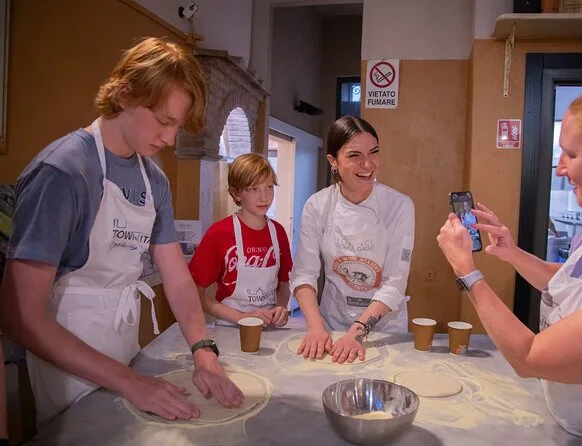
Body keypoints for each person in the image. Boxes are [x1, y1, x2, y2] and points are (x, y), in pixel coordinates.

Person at [0, 37, 244, 427]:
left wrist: (204, 352)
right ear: (125, 94)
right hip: (67, 366)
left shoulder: (154, 181)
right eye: (163, 120)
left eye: (177, 126)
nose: (169, 138)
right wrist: (131, 382)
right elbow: (19, 315)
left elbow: (177, 278)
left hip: (124, 351)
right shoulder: (63, 172)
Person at [437, 79, 582, 446]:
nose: (559, 168)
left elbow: (529, 358)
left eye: (571, 155)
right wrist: (512, 252)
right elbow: (576, 284)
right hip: (571, 419)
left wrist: (466, 271)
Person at [290, 116, 415, 364]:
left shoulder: (399, 206)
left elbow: (394, 282)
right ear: (333, 161)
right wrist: (315, 327)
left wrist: (357, 333)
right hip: (332, 325)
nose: (367, 164)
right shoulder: (317, 206)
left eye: (374, 152)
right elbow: (304, 274)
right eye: (354, 155)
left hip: (383, 328)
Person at [188, 153, 292, 327]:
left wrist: (281, 307)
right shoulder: (219, 233)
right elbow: (194, 292)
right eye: (254, 189)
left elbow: (284, 282)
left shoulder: (278, 232)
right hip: (230, 328)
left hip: (270, 328)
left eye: (269, 187)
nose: (264, 197)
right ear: (237, 193)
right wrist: (240, 317)